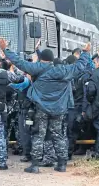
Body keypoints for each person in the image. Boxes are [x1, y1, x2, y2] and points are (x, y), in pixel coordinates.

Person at [5, 43, 91, 173]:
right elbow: (79, 66)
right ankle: (62, 164)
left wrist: (6, 50)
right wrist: (85, 53)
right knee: (58, 135)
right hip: (59, 109)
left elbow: (20, 62)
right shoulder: (64, 70)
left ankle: (35, 165)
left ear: (41, 59)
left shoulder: (37, 68)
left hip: (41, 108)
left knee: (38, 135)